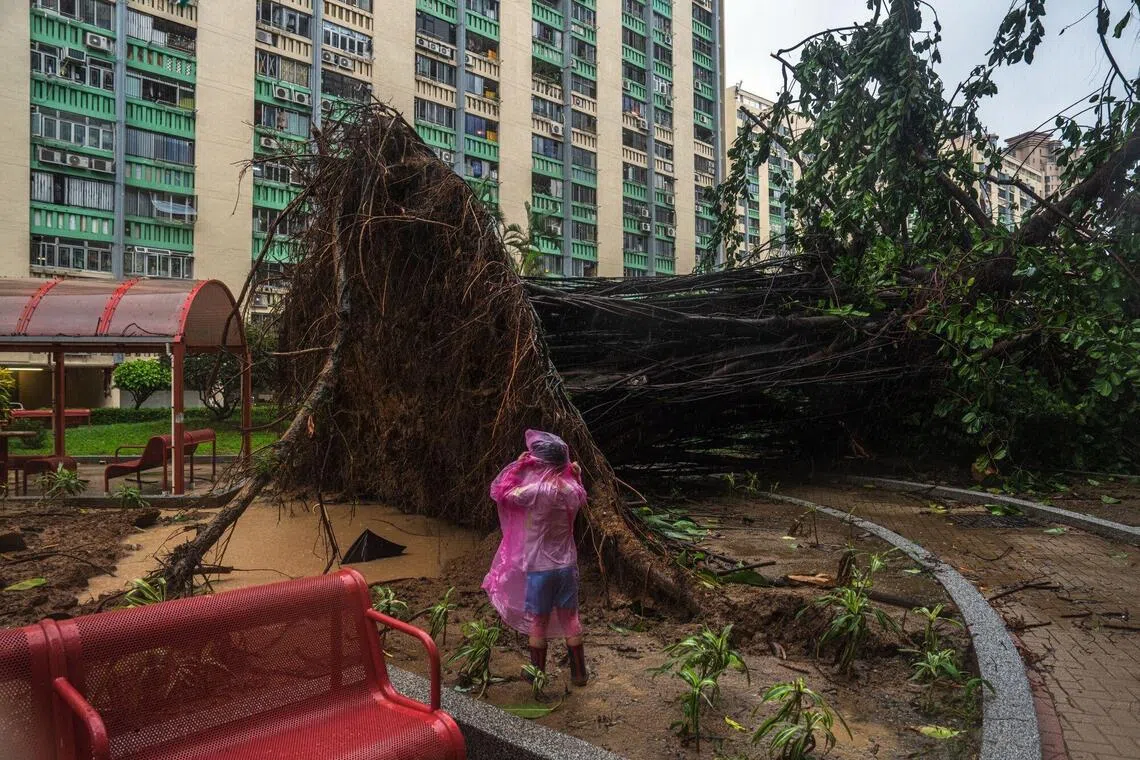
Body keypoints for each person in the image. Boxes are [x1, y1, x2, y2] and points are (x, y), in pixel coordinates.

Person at [482, 429, 589, 686]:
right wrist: (577, 475)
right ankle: (579, 674)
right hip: (567, 566)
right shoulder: (573, 489)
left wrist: (518, 468)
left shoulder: (533, 491)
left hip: (540, 568)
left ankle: (537, 676)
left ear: (538, 462)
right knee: (570, 618)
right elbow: (581, 495)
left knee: (538, 622)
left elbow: (500, 493)